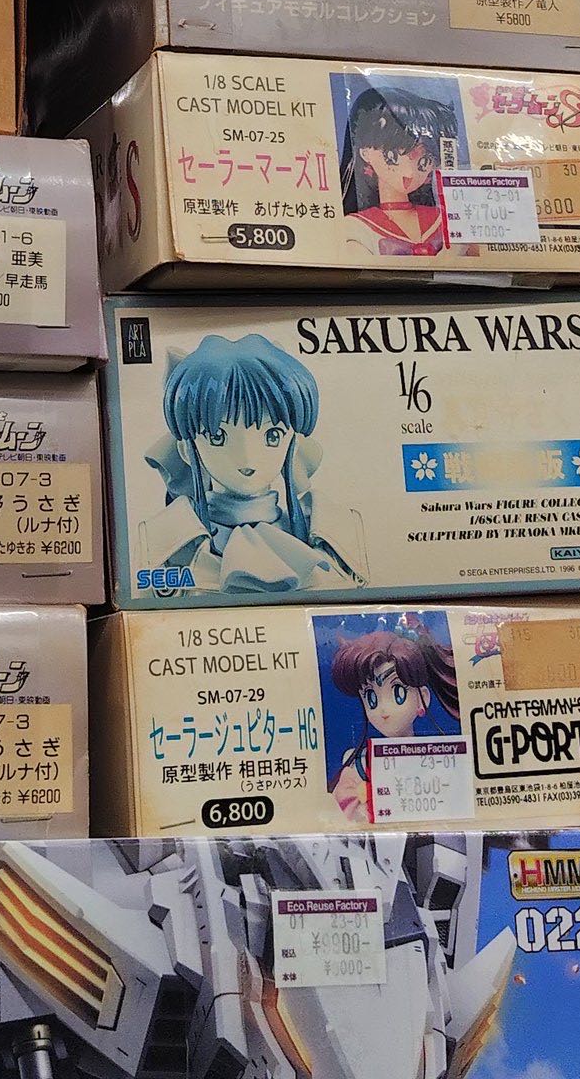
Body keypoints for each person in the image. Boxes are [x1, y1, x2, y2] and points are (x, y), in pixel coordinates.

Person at [141, 334, 357, 595]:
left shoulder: (332, 533)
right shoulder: (164, 544)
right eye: (217, 437)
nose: (247, 457)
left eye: (272, 435)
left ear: (293, 442)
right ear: (187, 449)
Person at [328, 622, 462, 823]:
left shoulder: (441, 757)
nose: (383, 710)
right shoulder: (359, 763)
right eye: (371, 698)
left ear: (423, 699)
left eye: (398, 693)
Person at [338, 85, 460, 257]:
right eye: (392, 157)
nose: (409, 173)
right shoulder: (356, 227)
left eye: (424, 162)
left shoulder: (443, 219)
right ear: (365, 153)